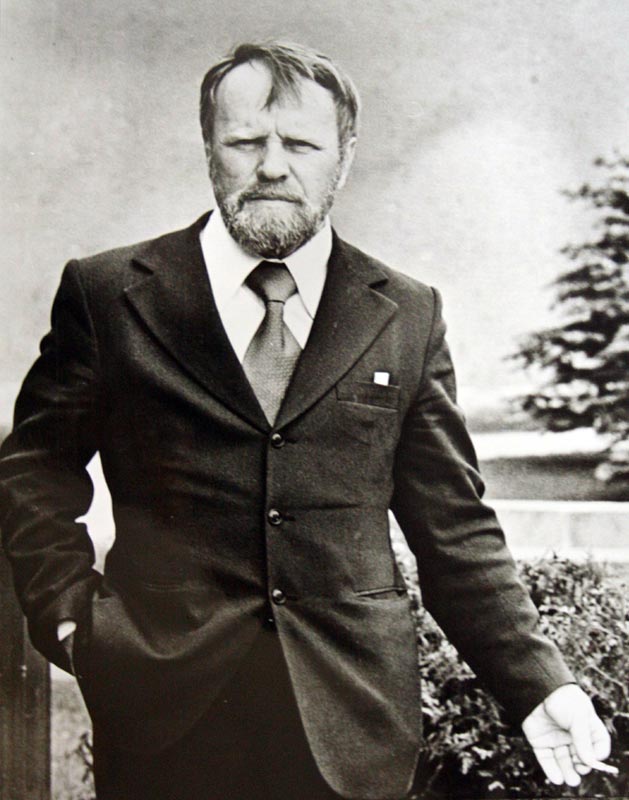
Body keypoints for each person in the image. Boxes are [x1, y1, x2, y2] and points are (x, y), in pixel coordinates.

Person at [0, 41, 613, 800]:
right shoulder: (109, 294)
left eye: (299, 144)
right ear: (209, 147)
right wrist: (69, 618)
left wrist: (541, 686)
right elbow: (34, 471)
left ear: (343, 157)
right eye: (245, 141)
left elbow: (454, 528)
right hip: (163, 718)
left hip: (353, 729)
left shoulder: (406, 313)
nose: (271, 166)